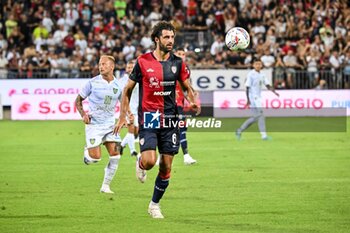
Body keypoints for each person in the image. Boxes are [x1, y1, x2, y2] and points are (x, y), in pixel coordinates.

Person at [114, 21, 200, 219]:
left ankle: (154, 205)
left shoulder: (178, 62)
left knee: (166, 166)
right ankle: (141, 162)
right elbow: (127, 90)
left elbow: (186, 87)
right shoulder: (143, 61)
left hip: (171, 119)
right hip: (150, 117)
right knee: (150, 161)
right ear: (157, 39)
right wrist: (123, 115)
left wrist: (191, 101)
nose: (170, 41)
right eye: (166, 37)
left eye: (172, 37)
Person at [75, 55, 123, 194]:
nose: (100, 67)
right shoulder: (92, 82)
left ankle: (105, 186)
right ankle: (87, 154)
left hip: (110, 124)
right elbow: (78, 101)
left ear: (112, 67)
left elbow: (123, 103)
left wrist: (127, 116)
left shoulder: (118, 85)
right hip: (94, 125)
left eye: (104, 64)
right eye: (99, 64)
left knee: (116, 154)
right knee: (95, 158)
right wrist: (83, 115)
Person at [236, 59, 279, 140]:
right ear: (253, 65)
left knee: (256, 117)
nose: (258, 65)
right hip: (253, 98)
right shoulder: (251, 74)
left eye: (259, 64)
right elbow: (247, 87)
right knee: (261, 115)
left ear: (261, 65)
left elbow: (267, 85)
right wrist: (248, 100)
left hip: (258, 97)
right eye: (256, 64)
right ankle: (264, 136)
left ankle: (239, 130)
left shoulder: (262, 74)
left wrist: (274, 92)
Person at [174, 47, 198, 165]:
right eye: (179, 53)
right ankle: (185, 156)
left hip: (179, 103)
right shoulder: (169, 65)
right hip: (168, 103)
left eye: (183, 54)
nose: (182, 56)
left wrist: (192, 95)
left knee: (181, 128)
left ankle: (186, 156)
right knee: (167, 130)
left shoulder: (186, 69)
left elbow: (186, 85)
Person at [120, 60, 139, 157]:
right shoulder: (123, 80)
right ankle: (133, 151)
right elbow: (122, 96)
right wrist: (126, 110)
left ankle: (121, 145)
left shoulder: (138, 79)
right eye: (128, 67)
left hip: (137, 109)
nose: (130, 69)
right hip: (128, 109)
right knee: (131, 130)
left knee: (136, 131)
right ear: (126, 69)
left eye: (132, 67)